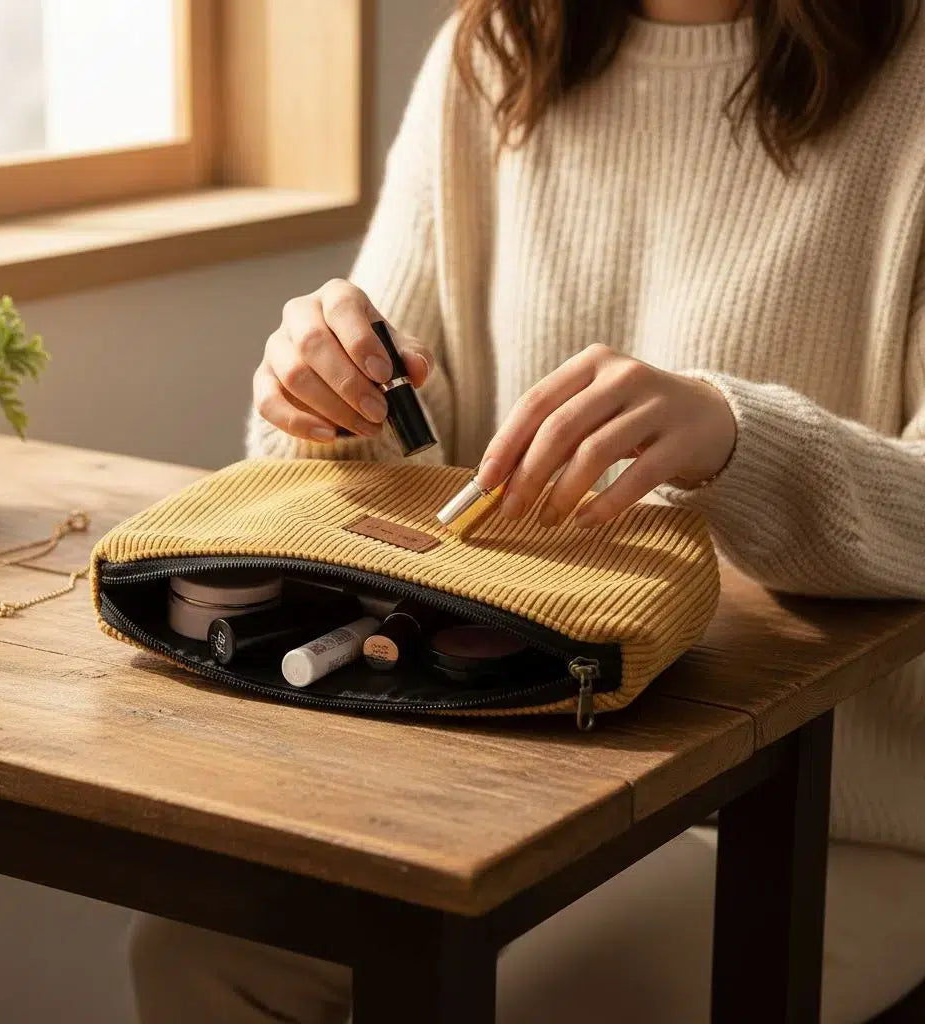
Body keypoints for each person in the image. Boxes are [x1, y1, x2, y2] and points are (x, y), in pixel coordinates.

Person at [129, 0, 925, 1020]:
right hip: (515, 765)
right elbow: (389, 438)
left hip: (836, 810)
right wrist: (324, 401)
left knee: (532, 997)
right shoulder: (497, 49)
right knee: (197, 951)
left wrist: (736, 435)